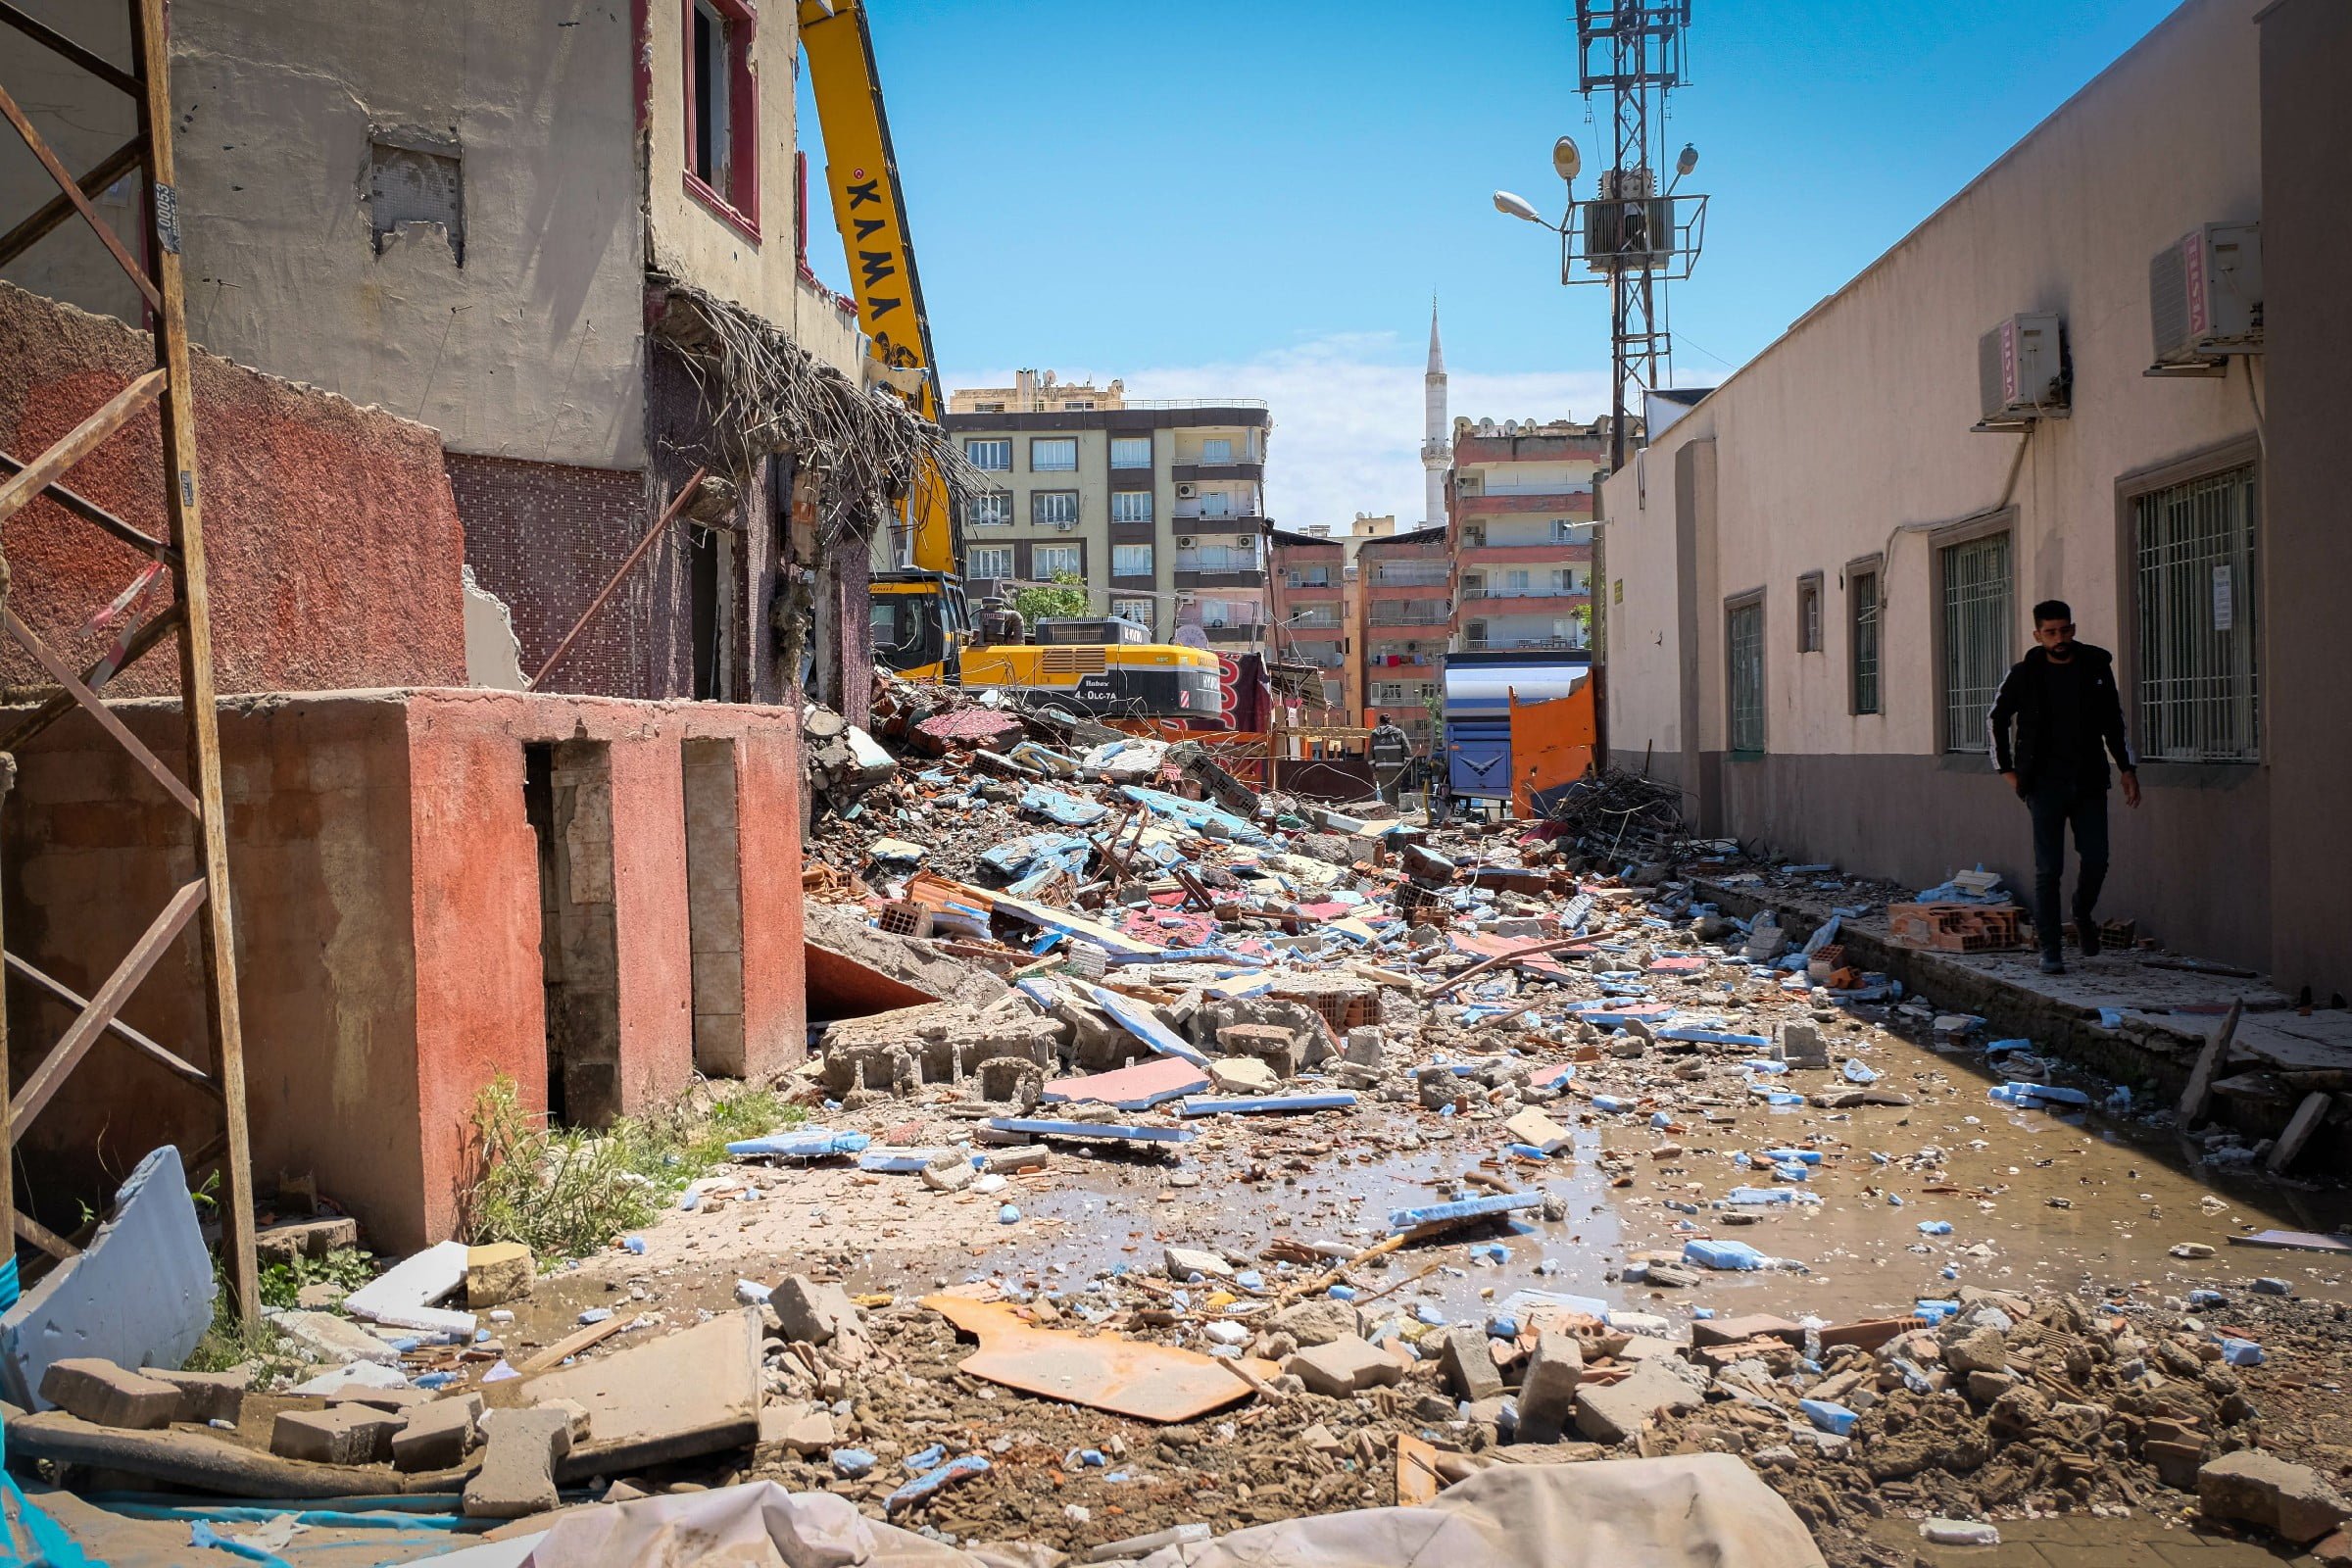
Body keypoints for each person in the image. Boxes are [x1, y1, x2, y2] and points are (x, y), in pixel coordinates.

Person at [1986, 599, 2140, 974]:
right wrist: (2006, 771)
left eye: (2065, 630)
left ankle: (2082, 912)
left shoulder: (2096, 667)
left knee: (2097, 858)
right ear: (2038, 635)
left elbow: (2113, 721)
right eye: (2051, 632)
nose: (2060, 638)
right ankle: (2051, 950)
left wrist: (2126, 768)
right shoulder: (2024, 674)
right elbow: (1996, 718)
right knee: (2047, 870)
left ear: (2073, 628)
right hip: (2043, 785)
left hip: (2089, 781)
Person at [1368, 717, 1411, 808]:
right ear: (1390, 722)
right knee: (1394, 791)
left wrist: (1374, 770)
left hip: (1381, 770)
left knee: (1386, 793)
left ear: (1379, 722)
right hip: (1397, 770)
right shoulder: (1399, 733)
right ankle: (1394, 811)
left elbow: (1370, 754)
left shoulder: (1374, 734)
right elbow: (1407, 751)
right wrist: (1406, 767)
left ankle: (1390, 812)